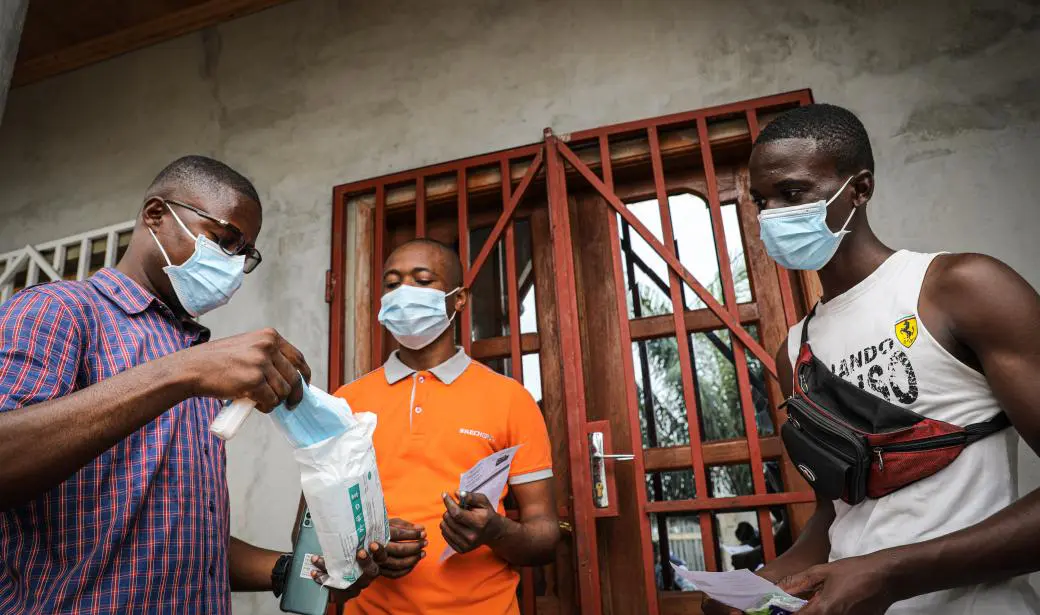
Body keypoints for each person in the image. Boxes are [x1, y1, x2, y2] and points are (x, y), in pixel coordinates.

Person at [0, 156, 377, 613]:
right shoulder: (59, 310)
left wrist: (292, 570)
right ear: (156, 215)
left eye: (245, 254)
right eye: (224, 240)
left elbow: (175, 535)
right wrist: (185, 371)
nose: (233, 266)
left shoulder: (192, 353)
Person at [706, 104, 1040, 614]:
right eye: (760, 200)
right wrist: (762, 587)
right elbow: (839, 513)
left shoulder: (959, 289)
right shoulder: (795, 351)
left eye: (792, 194)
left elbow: (878, 569)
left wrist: (889, 575)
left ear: (859, 189)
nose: (770, 215)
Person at [330, 238, 560, 614]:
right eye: (392, 284)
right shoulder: (344, 403)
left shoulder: (510, 398)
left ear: (459, 299)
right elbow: (309, 529)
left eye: (422, 280)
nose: (404, 293)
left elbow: (545, 537)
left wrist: (496, 531)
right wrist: (367, 544)